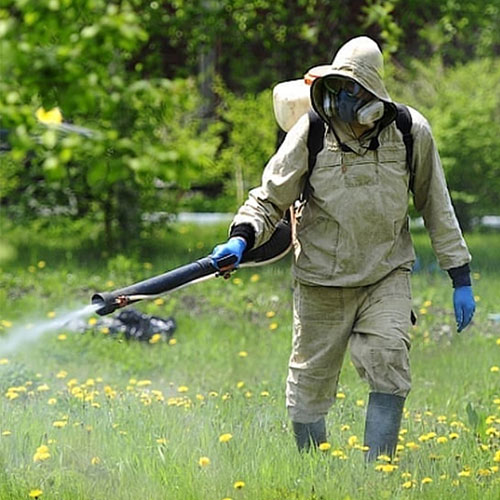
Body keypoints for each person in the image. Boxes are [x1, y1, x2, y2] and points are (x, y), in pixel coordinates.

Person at [210, 36, 476, 460]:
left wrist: (459, 274)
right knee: (308, 388)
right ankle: (313, 468)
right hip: (321, 279)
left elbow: (435, 204)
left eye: (351, 89)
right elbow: (270, 196)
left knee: (389, 359)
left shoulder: (410, 131)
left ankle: (379, 470)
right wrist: (241, 238)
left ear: (372, 92)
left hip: (386, 273)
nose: (341, 99)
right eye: (336, 87)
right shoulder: (312, 130)